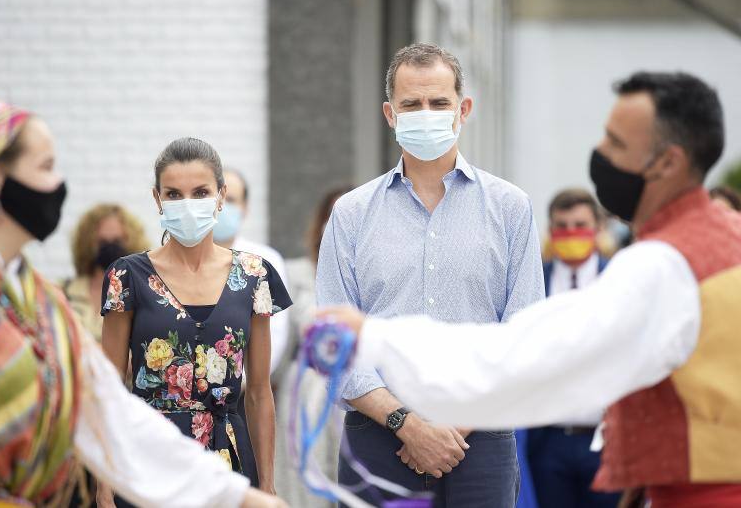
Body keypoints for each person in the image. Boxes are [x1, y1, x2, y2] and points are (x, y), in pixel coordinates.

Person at [321, 72, 741, 507]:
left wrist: (372, 338)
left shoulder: (664, 262)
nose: (600, 155)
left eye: (616, 144)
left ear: (668, 163)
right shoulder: (726, 239)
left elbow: (536, 351)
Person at [0, 91, 284, 507]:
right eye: (47, 167)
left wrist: (246, 494)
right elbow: (108, 395)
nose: (58, 185)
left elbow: (102, 402)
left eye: (201, 192)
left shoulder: (36, 298)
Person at [316, 43, 544, 507]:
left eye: (439, 103)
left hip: (480, 438)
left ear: (463, 109)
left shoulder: (510, 208)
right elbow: (336, 342)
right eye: (411, 104)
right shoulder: (351, 214)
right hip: (375, 436)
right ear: (389, 113)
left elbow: (523, 335)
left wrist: (449, 430)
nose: (426, 113)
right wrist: (409, 425)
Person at [98, 138, 292, 507]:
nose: (187, 205)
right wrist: (104, 488)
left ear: (221, 196)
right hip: (148, 461)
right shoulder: (127, 276)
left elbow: (258, 392)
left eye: (200, 192)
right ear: (157, 199)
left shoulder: (254, 274)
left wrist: (267, 486)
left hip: (230, 462)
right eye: (174, 194)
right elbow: (108, 390)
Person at [524, 188, 619, 508]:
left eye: (579, 224)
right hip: (549, 440)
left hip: (607, 439)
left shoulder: (619, 280)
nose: (570, 233)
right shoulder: (535, 279)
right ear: (551, 231)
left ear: (597, 229)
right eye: (562, 226)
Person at [273, 186, 352, 508]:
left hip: (359, 392)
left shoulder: (372, 277)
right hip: (305, 390)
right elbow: (280, 346)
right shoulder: (294, 274)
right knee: (302, 477)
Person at [213, 168, 290, 377]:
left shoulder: (265, 261)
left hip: (243, 392)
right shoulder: (180, 260)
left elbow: (275, 332)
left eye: (231, 200)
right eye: (215, 199)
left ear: (245, 208)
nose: (221, 206)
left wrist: (245, 382)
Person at [64, 204, 150, 341]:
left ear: (131, 242)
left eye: (117, 241)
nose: (110, 247)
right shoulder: (64, 292)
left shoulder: (145, 294)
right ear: (88, 244)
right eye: (102, 242)